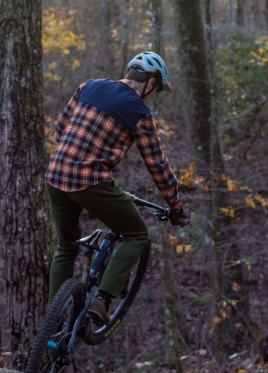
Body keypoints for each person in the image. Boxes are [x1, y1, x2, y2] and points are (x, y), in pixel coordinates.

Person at [45, 51, 190, 325]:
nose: (151, 97)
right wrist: (176, 206)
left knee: (66, 246)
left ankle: (52, 322)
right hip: (89, 181)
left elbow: (61, 126)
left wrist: (72, 154)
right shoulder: (139, 111)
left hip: (55, 174)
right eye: (155, 91)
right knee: (136, 234)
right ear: (150, 82)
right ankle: (101, 301)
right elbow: (157, 165)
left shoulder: (88, 86)